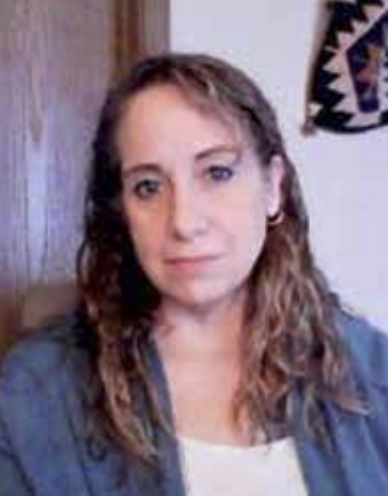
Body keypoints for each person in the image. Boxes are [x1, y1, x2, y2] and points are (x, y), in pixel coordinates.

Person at [1, 53, 388, 496]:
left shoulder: (370, 370)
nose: (184, 221)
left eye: (217, 172)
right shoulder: (40, 391)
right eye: (148, 186)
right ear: (122, 211)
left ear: (273, 187)